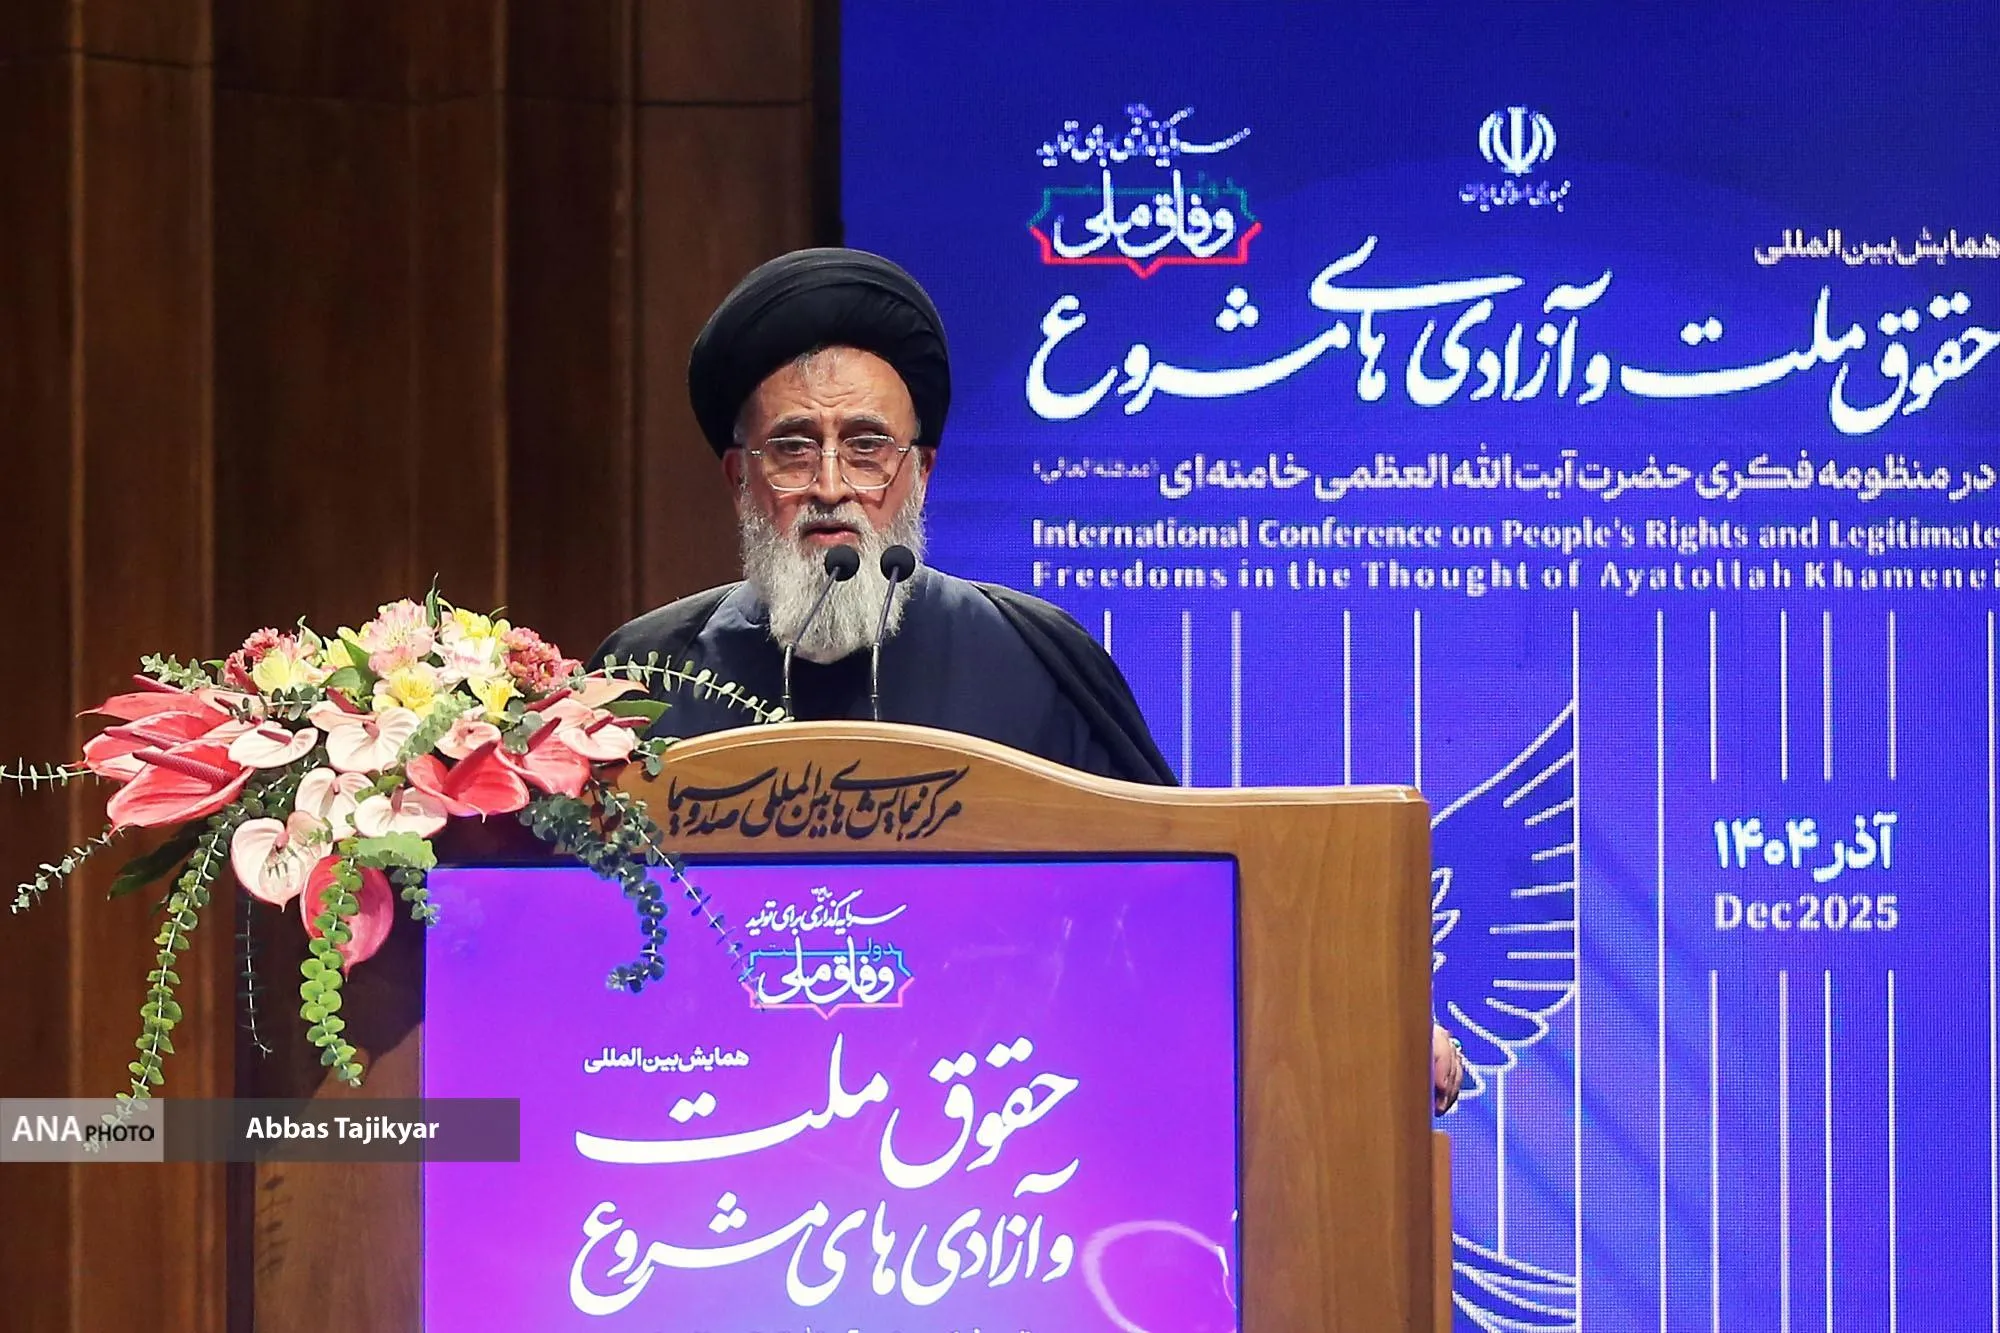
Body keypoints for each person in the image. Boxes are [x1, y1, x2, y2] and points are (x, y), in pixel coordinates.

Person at [591, 246, 1464, 1112]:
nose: (830, 486)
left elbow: (1181, 899)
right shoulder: (643, 677)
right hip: (715, 1112)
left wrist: (1363, 1008)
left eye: (866, 448)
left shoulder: (1032, 658)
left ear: (920, 473)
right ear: (740, 476)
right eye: (792, 449)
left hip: (988, 1124)